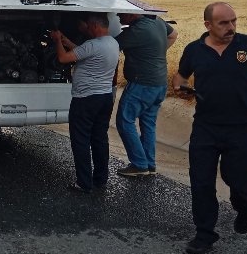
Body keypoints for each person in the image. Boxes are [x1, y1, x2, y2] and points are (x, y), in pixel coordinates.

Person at [173, 2, 247, 254]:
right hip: (206, 126)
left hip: (242, 127)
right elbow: (180, 76)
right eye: (223, 23)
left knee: (239, 180)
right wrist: (181, 87)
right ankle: (204, 234)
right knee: (201, 180)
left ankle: (245, 206)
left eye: (233, 21)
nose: (231, 27)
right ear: (208, 25)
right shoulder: (194, 50)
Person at [51, 13, 120, 193]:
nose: (86, 29)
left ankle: (83, 183)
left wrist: (58, 41)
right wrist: (67, 41)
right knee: (99, 138)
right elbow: (83, 52)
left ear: (95, 26)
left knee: (80, 140)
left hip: (86, 99)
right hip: (105, 98)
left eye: (88, 26)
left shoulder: (92, 44)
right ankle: (100, 178)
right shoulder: (112, 43)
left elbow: (63, 58)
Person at [114, 13, 178, 176]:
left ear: (131, 14)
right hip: (159, 83)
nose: (118, 15)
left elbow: (111, 45)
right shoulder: (156, 20)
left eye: (121, 13)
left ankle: (139, 164)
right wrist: (155, 52)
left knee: (124, 120)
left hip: (141, 84)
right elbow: (173, 34)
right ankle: (149, 163)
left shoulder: (136, 30)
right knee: (148, 123)